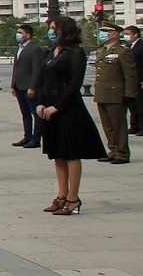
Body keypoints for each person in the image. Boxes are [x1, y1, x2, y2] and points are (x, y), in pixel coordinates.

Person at [35, 16, 106, 215]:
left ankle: (73, 198)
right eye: (50, 28)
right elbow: (42, 80)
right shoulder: (50, 52)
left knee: (71, 153)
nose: (50, 32)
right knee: (56, 154)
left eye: (54, 29)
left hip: (68, 109)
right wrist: (41, 102)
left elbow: (74, 84)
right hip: (48, 109)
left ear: (65, 31)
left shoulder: (75, 53)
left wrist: (56, 106)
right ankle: (61, 194)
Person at [91, 23, 139, 165]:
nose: (103, 34)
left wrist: (129, 94)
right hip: (102, 93)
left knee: (118, 125)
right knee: (107, 126)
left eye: (106, 32)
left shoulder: (123, 52)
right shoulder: (101, 51)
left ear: (115, 34)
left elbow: (130, 75)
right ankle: (113, 150)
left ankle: (122, 153)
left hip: (116, 93)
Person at [11, 24, 45, 148]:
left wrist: (32, 86)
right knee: (25, 112)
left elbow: (36, 70)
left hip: (29, 87)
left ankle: (36, 139)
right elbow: (16, 68)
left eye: (20, 32)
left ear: (28, 35)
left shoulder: (35, 49)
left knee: (35, 113)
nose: (18, 34)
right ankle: (27, 136)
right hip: (19, 86)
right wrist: (13, 85)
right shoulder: (18, 48)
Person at [124, 25, 143, 135]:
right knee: (132, 104)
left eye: (128, 34)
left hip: (140, 79)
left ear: (135, 34)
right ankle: (134, 125)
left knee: (141, 104)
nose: (126, 36)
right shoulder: (129, 46)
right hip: (131, 80)